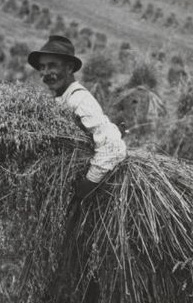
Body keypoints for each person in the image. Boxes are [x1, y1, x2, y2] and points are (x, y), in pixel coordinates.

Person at [28, 35, 126, 200]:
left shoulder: (79, 100)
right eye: (42, 67)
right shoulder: (61, 99)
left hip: (93, 194)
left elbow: (113, 147)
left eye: (52, 66)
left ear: (69, 68)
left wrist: (83, 190)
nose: (45, 73)